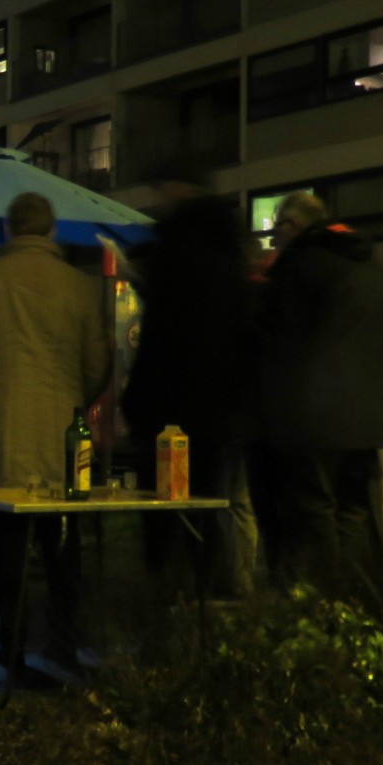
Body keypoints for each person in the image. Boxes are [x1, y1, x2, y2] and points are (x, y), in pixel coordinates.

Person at [0, 192, 110, 679]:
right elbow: (98, 363)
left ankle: (11, 646)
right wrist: (71, 394)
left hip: (1, 430)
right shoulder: (78, 286)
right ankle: (63, 640)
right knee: (61, 541)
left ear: (11, 230)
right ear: (51, 230)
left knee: (7, 543)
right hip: (60, 434)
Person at [250, 191, 383, 601]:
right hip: (365, 418)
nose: (275, 242)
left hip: (315, 415)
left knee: (315, 512)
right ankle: (353, 605)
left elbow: (272, 340)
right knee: (353, 512)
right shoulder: (369, 265)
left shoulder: (301, 266)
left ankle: (326, 606)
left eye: (276, 233)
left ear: (293, 227)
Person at [120, 162, 259, 601]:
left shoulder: (178, 246)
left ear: (177, 187)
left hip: (171, 405)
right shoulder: (227, 248)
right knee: (204, 504)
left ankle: (171, 605)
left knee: (165, 508)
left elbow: (168, 335)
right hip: (216, 407)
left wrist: (138, 401)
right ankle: (208, 602)